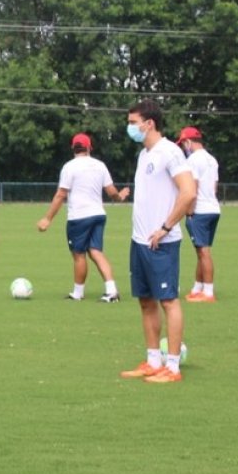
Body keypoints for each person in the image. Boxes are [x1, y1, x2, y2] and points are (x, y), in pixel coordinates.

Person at [119, 100, 196, 384]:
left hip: (161, 242)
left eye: (132, 122)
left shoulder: (170, 152)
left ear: (148, 123)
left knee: (169, 301)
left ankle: (172, 367)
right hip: (139, 241)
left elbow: (188, 192)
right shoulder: (144, 154)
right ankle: (153, 360)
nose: (130, 127)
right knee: (146, 301)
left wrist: (165, 227)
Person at [36, 132, 130, 302]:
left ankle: (78, 293)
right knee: (96, 252)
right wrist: (120, 197)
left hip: (79, 217)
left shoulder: (69, 167)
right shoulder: (100, 165)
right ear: (88, 148)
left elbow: (60, 194)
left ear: (73, 148)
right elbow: (111, 192)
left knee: (79, 255)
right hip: (98, 215)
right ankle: (112, 291)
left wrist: (47, 218)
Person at [178, 126, 220, 303]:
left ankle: (208, 292)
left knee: (203, 253)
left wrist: (189, 210)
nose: (183, 148)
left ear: (188, 142)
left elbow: (192, 187)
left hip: (200, 211)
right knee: (202, 251)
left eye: (183, 144)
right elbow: (214, 186)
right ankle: (198, 287)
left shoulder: (193, 160)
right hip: (213, 208)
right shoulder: (212, 159)